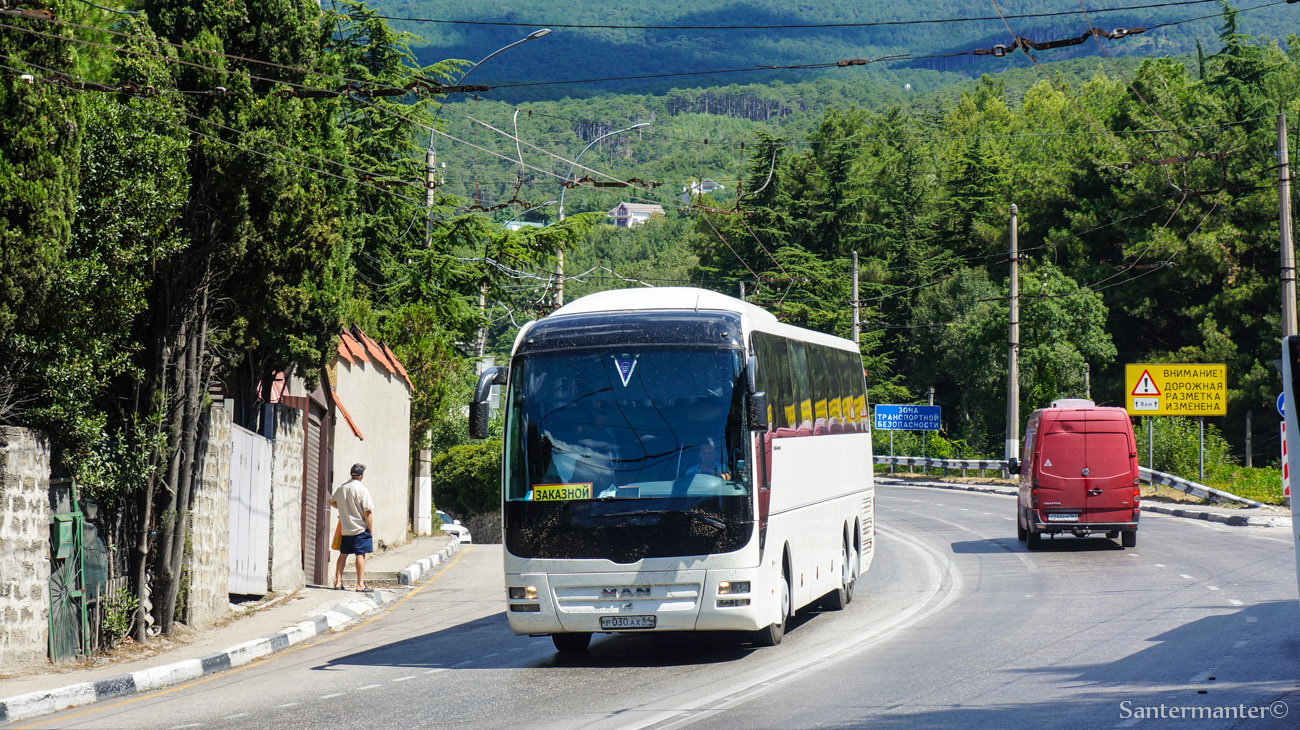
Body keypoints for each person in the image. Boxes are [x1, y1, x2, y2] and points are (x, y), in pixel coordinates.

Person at [331, 463, 374, 591]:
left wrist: (343, 509)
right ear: (362, 476)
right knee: (360, 555)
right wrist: (371, 529)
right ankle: (360, 584)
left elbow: (332, 501)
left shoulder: (342, 488)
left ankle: (338, 582)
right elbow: (368, 513)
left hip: (346, 528)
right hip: (360, 528)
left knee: (343, 554)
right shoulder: (362, 490)